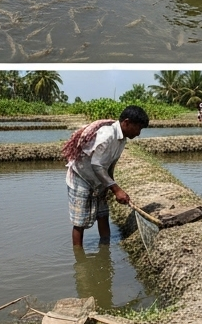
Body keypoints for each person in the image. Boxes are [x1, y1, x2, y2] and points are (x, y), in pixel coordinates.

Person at [63, 105, 149, 247]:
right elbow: (97, 165)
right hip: (82, 176)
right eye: (138, 128)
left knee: (103, 214)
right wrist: (116, 189)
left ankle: (105, 249)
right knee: (79, 223)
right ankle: (79, 259)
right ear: (126, 122)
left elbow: (109, 165)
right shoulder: (107, 135)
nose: (139, 133)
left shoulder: (122, 139)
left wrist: (111, 186)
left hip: (99, 178)